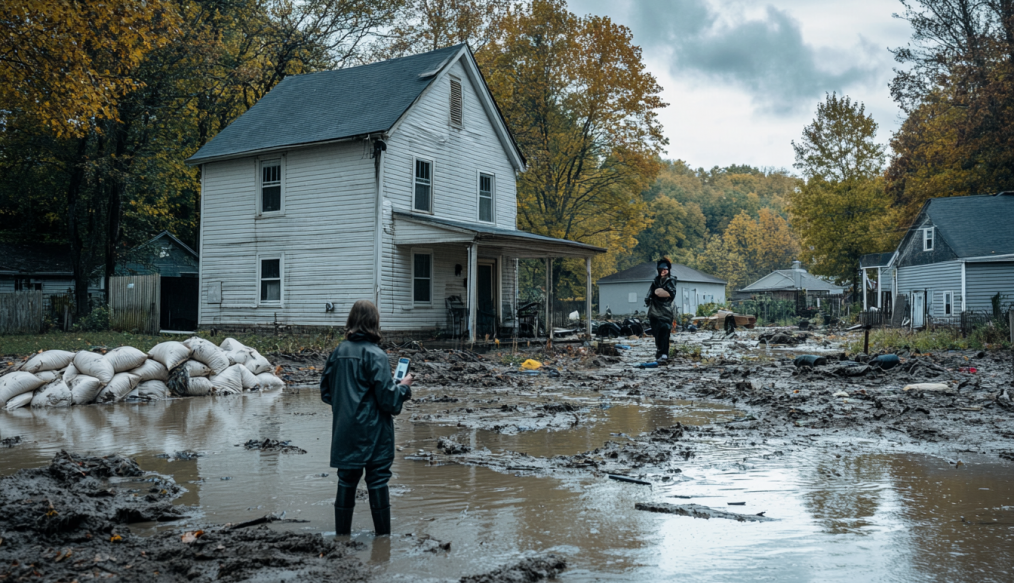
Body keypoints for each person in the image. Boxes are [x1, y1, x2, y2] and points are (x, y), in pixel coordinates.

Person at [320, 300, 413, 536]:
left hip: (344, 431)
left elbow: (326, 393)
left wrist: (348, 404)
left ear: (351, 321)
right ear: (375, 322)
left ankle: (342, 539)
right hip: (374, 432)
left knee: (346, 480)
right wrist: (403, 387)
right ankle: (383, 541)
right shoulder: (377, 355)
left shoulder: (338, 352)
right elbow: (389, 402)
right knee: (378, 480)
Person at [644, 257, 679, 362]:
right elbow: (650, 293)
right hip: (654, 311)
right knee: (657, 333)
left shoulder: (671, 280)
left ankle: (664, 354)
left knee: (665, 331)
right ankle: (659, 352)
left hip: (666, 310)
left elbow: (671, 294)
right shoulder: (656, 280)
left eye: (666, 269)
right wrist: (649, 298)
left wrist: (659, 293)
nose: (664, 271)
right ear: (658, 270)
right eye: (662, 269)